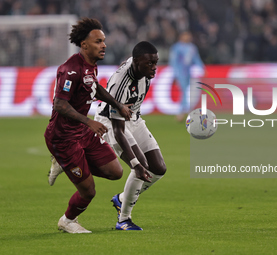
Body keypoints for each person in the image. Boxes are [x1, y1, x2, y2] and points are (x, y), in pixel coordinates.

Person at [44, 17, 132, 234]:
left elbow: (95, 87)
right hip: (63, 138)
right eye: (98, 41)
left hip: (81, 131)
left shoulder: (90, 66)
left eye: (103, 41)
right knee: (88, 191)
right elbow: (59, 104)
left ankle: (64, 165)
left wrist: (117, 104)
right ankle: (67, 221)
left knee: (115, 171)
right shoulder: (70, 70)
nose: (104, 45)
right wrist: (89, 121)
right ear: (84, 44)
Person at [94, 41, 167, 230]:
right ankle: (123, 220)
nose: (154, 68)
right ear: (136, 62)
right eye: (149, 64)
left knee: (159, 168)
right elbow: (118, 130)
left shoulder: (144, 73)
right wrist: (135, 164)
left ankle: (122, 199)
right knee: (141, 166)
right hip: (111, 122)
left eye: (155, 63)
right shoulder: (120, 83)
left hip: (133, 118)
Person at [169, 31, 205, 121]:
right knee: (184, 91)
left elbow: (196, 59)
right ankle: (182, 111)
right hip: (180, 72)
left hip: (188, 72)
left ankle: (184, 111)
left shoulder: (192, 47)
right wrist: (175, 74)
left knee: (186, 91)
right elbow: (173, 61)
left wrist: (202, 67)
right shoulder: (176, 47)